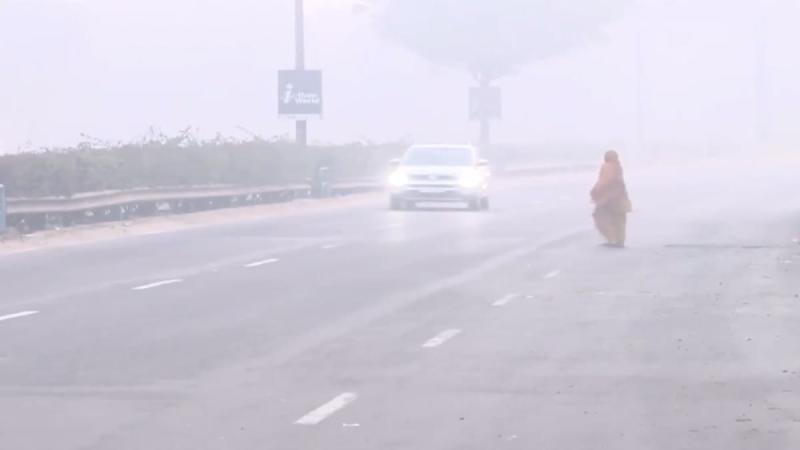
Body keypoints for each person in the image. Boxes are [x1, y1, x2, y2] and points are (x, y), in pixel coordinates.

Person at [590, 150, 632, 247]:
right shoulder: (618, 167)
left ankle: (612, 239)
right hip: (621, 199)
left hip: (608, 199)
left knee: (601, 218)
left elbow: (604, 181)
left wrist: (595, 191)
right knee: (620, 220)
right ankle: (619, 241)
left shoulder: (607, 166)